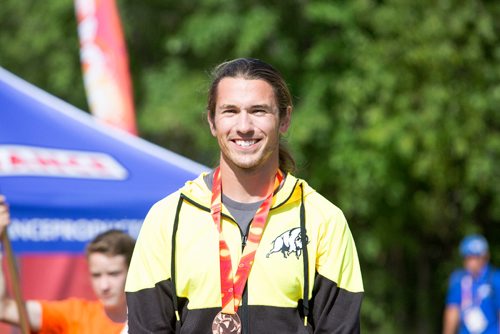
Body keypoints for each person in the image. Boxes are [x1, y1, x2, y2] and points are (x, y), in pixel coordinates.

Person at [125, 57, 364, 333]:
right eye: (230, 111)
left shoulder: (323, 220)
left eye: (258, 111)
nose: (244, 126)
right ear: (212, 122)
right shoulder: (167, 219)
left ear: (284, 119)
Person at [0, 195, 134, 334]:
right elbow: (3, 309)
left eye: (113, 274)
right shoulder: (75, 315)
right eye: (96, 275)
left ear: (132, 272)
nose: (104, 286)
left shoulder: (154, 318)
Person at [443, 234, 500, 334]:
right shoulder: (459, 280)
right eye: (468, 258)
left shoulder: (495, 279)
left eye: (475, 257)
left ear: (484, 257)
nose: (471, 262)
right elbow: (452, 312)